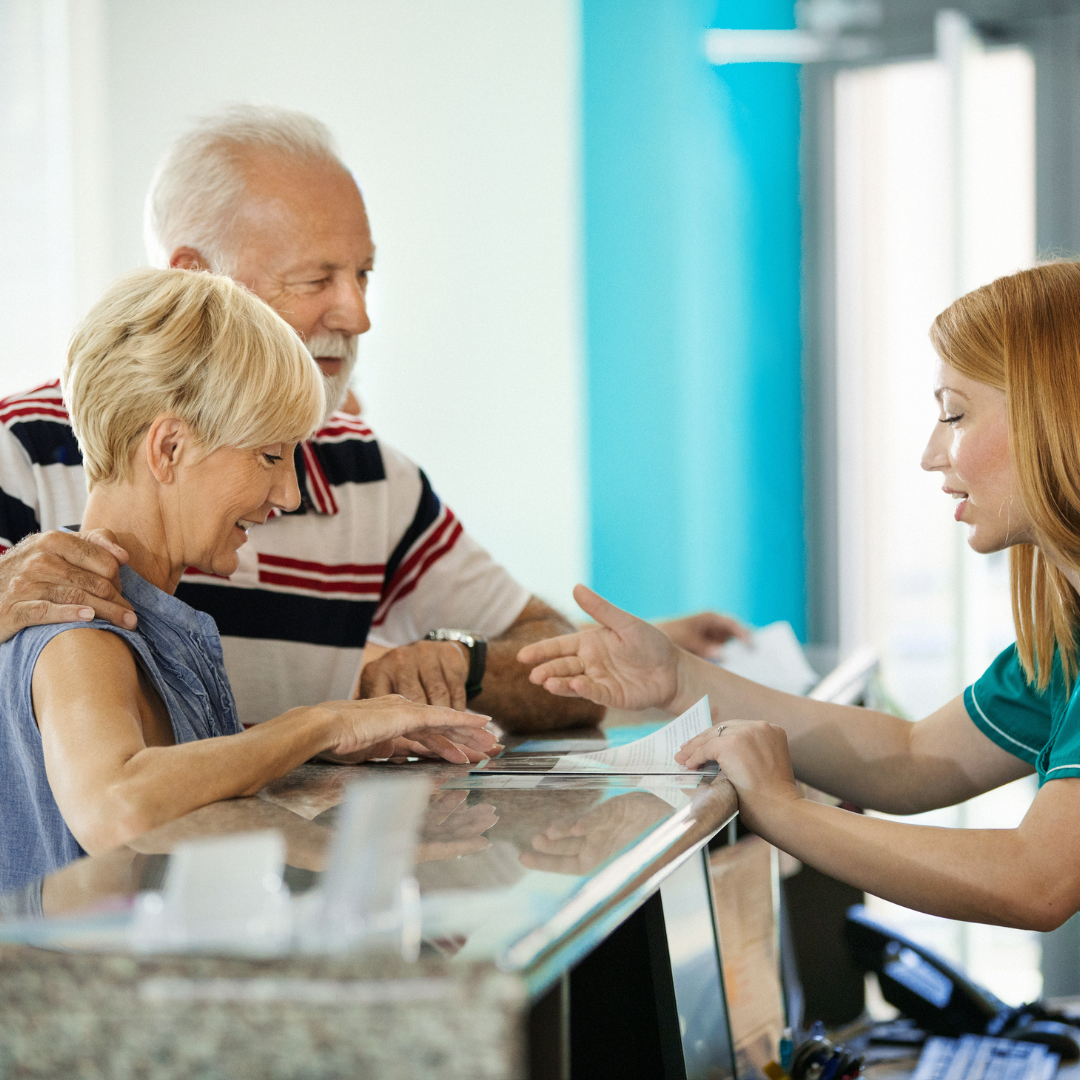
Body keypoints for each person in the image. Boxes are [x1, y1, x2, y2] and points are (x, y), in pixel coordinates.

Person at [0, 103, 741, 734]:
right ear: (194, 279)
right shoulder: (19, 451)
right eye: (316, 279)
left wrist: (460, 664)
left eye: (363, 276)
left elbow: (558, 656)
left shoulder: (368, 472)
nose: (355, 315)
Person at [520, 262, 1080, 932]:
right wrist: (680, 683)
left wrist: (781, 810)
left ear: (1058, 415)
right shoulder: (1066, 640)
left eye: (955, 414)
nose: (932, 455)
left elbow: (1038, 878)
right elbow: (912, 760)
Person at [0, 267, 498, 893]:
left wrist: (323, 739)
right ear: (170, 448)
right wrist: (320, 724)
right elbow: (116, 806)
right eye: (269, 456)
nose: (288, 494)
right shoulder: (83, 626)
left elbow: (171, 771)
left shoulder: (153, 622)